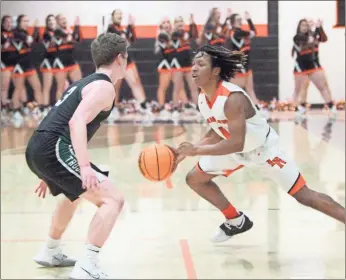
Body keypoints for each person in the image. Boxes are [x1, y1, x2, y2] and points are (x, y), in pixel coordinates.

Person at [176, 45, 345, 243]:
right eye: (193, 64)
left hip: (264, 151)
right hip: (237, 152)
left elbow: (236, 142)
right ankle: (236, 220)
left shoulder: (232, 98)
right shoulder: (203, 98)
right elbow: (217, 130)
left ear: (215, 71)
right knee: (195, 178)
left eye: (201, 64)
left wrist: (196, 150)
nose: (193, 68)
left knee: (305, 196)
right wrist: (184, 153)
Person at [25, 32, 128, 279]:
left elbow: (59, 121)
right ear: (120, 59)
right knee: (113, 199)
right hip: (53, 148)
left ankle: (50, 250)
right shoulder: (104, 87)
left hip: (41, 145)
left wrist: (48, 169)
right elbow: (76, 121)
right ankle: (87, 265)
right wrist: (83, 166)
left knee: (73, 194)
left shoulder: (83, 82)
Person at [292, 19, 336, 120]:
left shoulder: (313, 34)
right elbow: (308, 40)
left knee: (323, 86)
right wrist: (314, 28)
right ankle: (299, 108)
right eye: (302, 25)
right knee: (300, 89)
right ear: (299, 27)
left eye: (306, 25)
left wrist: (319, 27)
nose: (305, 27)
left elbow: (324, 39)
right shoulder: (297, 37)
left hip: (313, 65)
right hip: (301, 66)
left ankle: (331, 106)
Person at [54, 14, 82, 101]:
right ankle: (57, 111)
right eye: (61, 19)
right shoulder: (57, 31)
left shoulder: (69, 30)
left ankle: (79, 108)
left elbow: (77, 40)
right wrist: (75, 28)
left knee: (80, 85)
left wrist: (76, 27)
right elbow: (70, 39)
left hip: (71, 61)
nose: (63, 20)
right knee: (61, 88)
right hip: (60, 63)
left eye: (64, 18)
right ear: (57, 22)